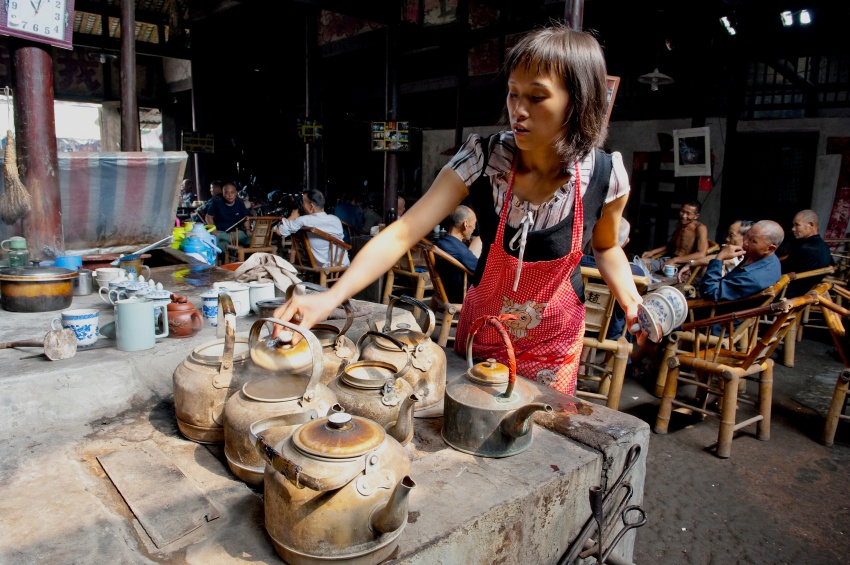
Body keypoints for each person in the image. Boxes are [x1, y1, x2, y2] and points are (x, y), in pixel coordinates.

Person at [273, 24, 642, 397]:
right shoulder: (484, 158)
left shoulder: (604, 175)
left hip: (555, 343)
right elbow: (404, 232)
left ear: (578, 103)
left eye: (537, 97)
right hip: (485, 332)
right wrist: (330, 297)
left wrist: (630, 302)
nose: (519, 111)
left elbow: (607, 247)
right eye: (514, 94)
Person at [581, 218, 644, 340]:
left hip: (578, 323)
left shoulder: (577, 263)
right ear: (626, 242)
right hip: (609, 332)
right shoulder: (636, 273)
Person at [698, 220, 784, 302]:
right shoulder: (768, 258)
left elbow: (708, 292)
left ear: (770, 248)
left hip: (718, 313)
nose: (745, 242)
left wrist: (719, 258)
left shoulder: (754, 278)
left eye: (753, 241)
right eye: (746, 235)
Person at [276, 189, 350, 268]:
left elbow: (279, 231)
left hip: (323, 267)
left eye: (303, 202)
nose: (302, 206)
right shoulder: (336, 219)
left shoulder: (304, 220)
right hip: (343, 263)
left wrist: (293, 216)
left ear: (311, 206)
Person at [677, 219, 754, 282]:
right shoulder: (736, 252)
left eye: (732, 235)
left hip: (723, 295)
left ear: (745, 238)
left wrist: (691, 263)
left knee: (713, 265)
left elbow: (715, 259)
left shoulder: (744, 255)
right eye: (728, 235)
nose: (727, 239)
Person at [641, 200, 708, 271]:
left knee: (662, 271)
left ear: (696, 216)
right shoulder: (681, 224)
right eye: (682, 211)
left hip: (684, 264)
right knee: (640, 262)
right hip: (670, 259)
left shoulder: (700, 228)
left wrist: (675, 260)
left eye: (688, 213)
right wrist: (652, 252)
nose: (684, 216)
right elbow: (671, 245)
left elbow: (701, 254)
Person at [781, 209, 834, 298]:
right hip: (802, 292)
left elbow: (780, 271)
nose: (793, 229)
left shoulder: (805, 249)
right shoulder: (823, 246)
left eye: (797, 225)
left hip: (786, 295)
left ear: (811, 225)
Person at [434, 205, 482, 303]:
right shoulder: (459, 250)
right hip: (462, 295)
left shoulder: (442, 242)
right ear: (465, 224)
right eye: (474, 224)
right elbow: (481, 271)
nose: (474, 228)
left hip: (446, 292)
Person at [205, 182, 253, 255]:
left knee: (252, 241)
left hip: (236, 233)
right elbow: (208, 217)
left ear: (236, 193)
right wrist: (213, 228)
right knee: (215, 244)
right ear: (223, 193)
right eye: (227, 193)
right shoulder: (216, 202)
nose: (230, 195)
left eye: (232, 192)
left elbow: (245, 218)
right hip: (220, 232)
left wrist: (248, 230)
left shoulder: (239, 203)